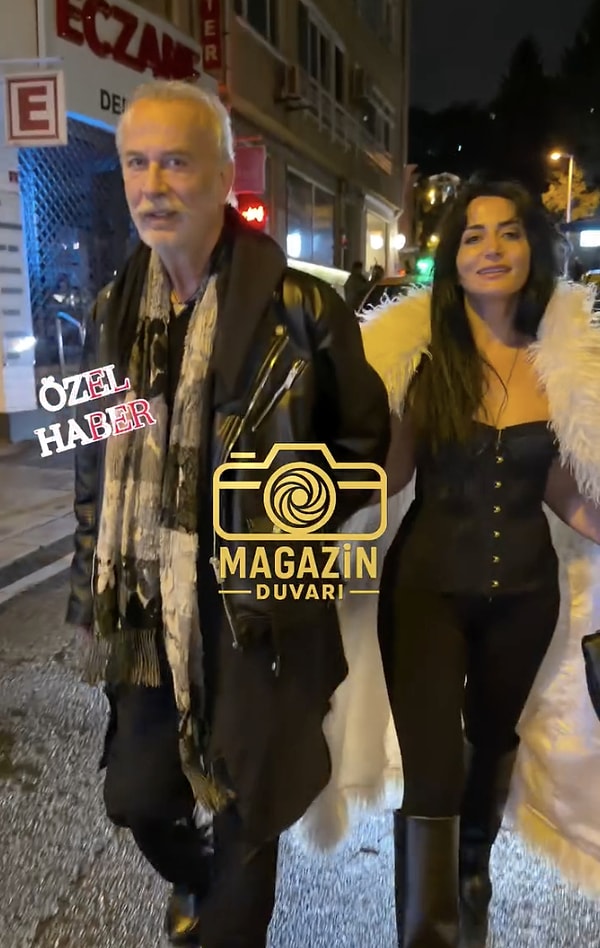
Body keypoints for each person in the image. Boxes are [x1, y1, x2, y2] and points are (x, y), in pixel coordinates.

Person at [65, 79, 390, 948]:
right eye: (136, 164)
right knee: (137, 797)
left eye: (176, 162)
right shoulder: (111, 313)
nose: (152, 185)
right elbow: (97, 463)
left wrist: (288, 523)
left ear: (221, 176)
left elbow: (363, 443)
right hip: (148, 609)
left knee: (250, 808)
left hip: (258, 612)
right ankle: (195, 873)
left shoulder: (301, 309)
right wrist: (91, 580)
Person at [295, 179, 600, 947]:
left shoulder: (565, 365)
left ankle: (472, 866)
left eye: (508, 232)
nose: (491, 248)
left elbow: (564, 490)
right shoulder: (421, 358)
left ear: (533, 248)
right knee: (431, 777)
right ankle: (428, 934)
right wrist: (297, 507)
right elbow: (387, 473)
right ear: (453, 258)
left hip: (525, 600)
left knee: (492, 745)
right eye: (472, 235)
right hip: (424, 596)